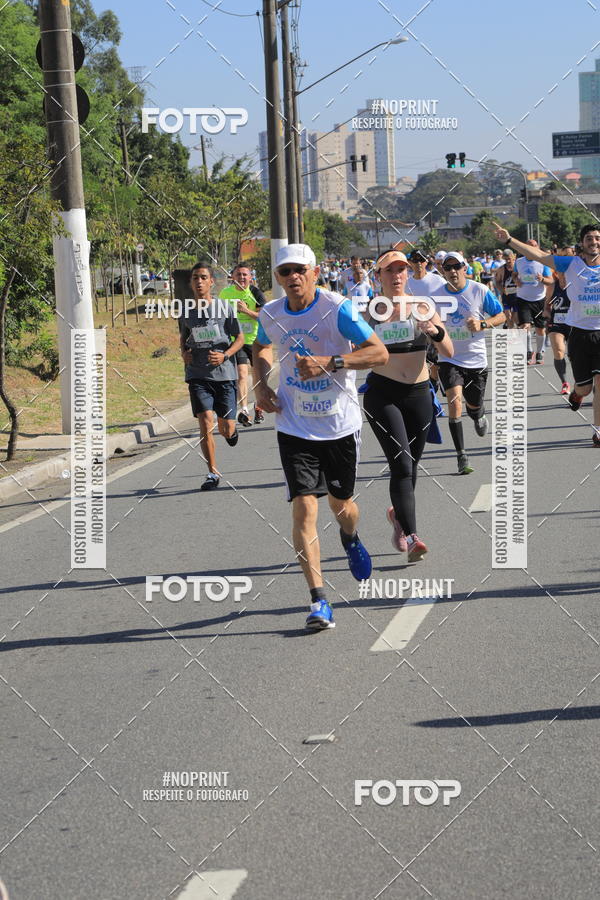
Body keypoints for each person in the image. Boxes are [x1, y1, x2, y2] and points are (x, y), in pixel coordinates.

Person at [253, 244, 388, 630]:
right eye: (284, 272)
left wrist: (333, 362)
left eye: (299, 270)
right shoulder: (272, 313)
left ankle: (350, 537)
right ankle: (319, 601)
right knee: (304, 509)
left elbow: (378, 353)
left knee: (341, 504)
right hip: (294, 425)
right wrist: (262, 385)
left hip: (339, 424)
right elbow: (260, 345)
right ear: (278, 278)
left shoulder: (337, 309)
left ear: (314, 272)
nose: (292, 278)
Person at [362, 250, 454, 561]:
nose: (397, 275)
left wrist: (434, 331)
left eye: (402, 270)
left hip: (419, 394)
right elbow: (353, 350)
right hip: (383, 394)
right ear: (379, 277)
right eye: (390, 271)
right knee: (401, 464)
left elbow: (448, 347)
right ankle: (414, 536)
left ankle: (398, 519)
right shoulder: (370, 310)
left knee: (411, 466)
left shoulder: (423, 306)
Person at [495, 222, 600, 446]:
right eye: (589, 238)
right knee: (586, 386)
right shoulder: (570, 263)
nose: (594, 242)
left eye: (597, 238)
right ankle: (578, 393)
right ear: (582, 243)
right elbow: (539, 255)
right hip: (580, 334)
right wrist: (509, 240)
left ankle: (598, 432)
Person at [430, 252, 506, 474]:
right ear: (443, 271)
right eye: (448, 268)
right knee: (455, 403)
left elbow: (501, 316)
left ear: (465, 268)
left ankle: (478, 413)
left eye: (457, 267)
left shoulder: (478, 290)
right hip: (449, 358)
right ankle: (461, 456)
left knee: (473, 405)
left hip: (476, 359)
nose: (452, 271)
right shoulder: (436, 296)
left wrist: (483, 324)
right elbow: (428, 324)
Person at [179, 263, 245, 491]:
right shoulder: (186, 311)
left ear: (211, 282)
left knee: (225, 428)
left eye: (203, 277)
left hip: (224, 375)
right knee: (206, 421)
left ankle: (232, 431)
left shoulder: (225, 308)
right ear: (191, 283)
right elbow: (183, 336)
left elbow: (240, 339)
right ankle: (212, 473)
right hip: (198, 374)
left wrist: (225, 355)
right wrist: (184, 354)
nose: (198, 282)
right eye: (195, 277)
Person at [219, 263, 266, 426]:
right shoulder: (225, 294)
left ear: (250, 277)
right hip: (236, 341)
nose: (242, 278)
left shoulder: (255, 293)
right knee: (241, 374)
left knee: (259, 376)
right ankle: (245, 410)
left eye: (245, 275)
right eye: (238, 275)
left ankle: (259, 405)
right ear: (233, 277)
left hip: (256, 341)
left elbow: (264, 317)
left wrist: (246, 311)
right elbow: (219, 316)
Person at [513, 239, 554, 364]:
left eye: (535, 246)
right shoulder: (519, 262)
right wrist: (516, 281)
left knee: (540, 328)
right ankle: (529, 351)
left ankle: (540, 351)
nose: (533, 248)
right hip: (523, 299)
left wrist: (542, 279)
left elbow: (551, 281)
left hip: (539, 299)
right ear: (525, 247)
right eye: (530, 246)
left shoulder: (543, 262)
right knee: (525, 326)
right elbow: (514, 275)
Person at [543, 259, 572, 395]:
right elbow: (547, 306)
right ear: (557, 274)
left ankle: (580, 382)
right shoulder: (552, 287)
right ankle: (565, 382)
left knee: (574, 355)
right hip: (556, 323)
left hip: (575, 324)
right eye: (561, 272)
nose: (564, 275)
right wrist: (546, 312)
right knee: (559, 350)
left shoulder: (576, 286)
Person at [495, 249, 519, 328]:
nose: (508, 261)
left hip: (517, 295)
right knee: (508, 315)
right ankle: (511, 334)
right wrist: (502, 289)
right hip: (506, 295)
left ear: (513, 257)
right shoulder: (501, 269)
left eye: (509, 259)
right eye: (506, 259)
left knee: (515, 318)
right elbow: (497, 282)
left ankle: (519, 330)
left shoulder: (519, 267)